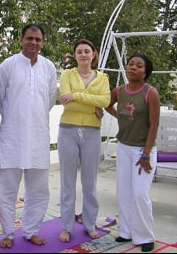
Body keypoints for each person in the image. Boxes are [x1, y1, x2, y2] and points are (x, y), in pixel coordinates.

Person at [0, 24, 58, 248]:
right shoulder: (8, 65)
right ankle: (8, 233)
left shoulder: (49, 67)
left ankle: (30, 230)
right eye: (29, 38)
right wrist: (15, 118)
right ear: (21, 40)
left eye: (38, 39)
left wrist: (33, 118)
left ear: (42, 42)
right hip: (12, 135)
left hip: (39, 135)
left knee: (39, 188)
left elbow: (49, 99)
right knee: (8, 187)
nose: (33, 43)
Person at [105, 54, 160, 252]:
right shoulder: (119, 91)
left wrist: (145, 154)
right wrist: (119, 115)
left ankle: (145, 236)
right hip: (124, 147)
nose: (133, 68)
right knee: (124, 193)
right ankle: (126, 232)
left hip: (142, 151)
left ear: (146, 72)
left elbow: (154, 125)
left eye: (139, 66)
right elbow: (106, 104)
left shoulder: (150, 93)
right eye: (130, 64)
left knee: (139, 194)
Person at [58, 39, 111, 243]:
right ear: (75, 55)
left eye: (86, 51)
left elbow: (105, 101)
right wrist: (91, 103)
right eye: (79, 52)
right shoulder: (67, 74)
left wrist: (76, 96)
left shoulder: (103, 78)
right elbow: (64, 98)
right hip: (68, 130)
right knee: (67, 182)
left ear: (93, 54)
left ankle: (90, 224)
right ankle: (66, 226)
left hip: (92, 132)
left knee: (90, 183)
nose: (83, 55)